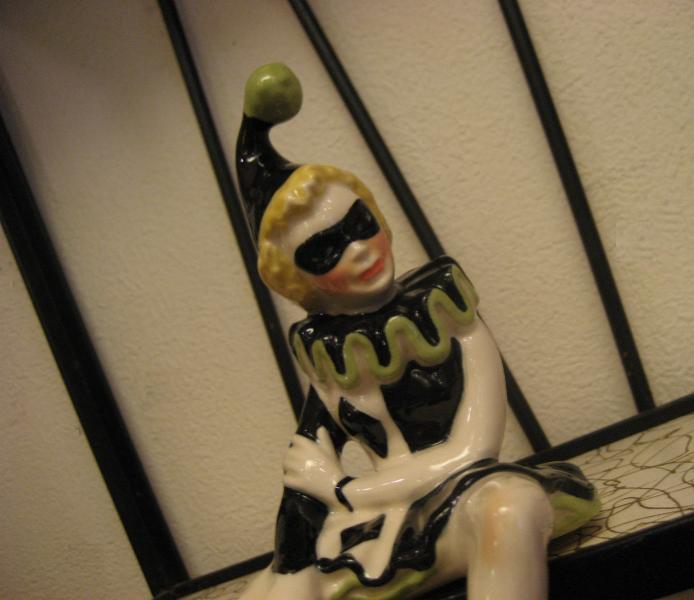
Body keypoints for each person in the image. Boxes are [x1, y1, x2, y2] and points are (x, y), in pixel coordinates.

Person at [236, 65, 599, 600]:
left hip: (464, 498)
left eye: (360, 224)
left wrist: (346, 489)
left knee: (510, 507)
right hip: (379, 533)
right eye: (325, 250)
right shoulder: (328, 359)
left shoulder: (445, 309)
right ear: (297, 283)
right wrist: (292, 562)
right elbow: (302, 483)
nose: (358, 250)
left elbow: (472, 449)